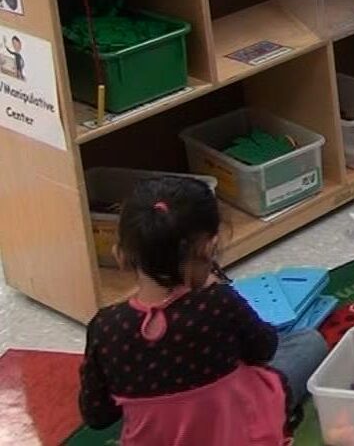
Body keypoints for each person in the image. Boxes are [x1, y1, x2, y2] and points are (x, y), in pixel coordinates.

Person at [77, 176, 326, 444]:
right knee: (308, 342)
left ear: (120, 256)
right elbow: (264, 349)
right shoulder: (218, 302)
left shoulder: (106, 327)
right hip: (242, 434)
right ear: (209, 248)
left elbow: (97, 415)